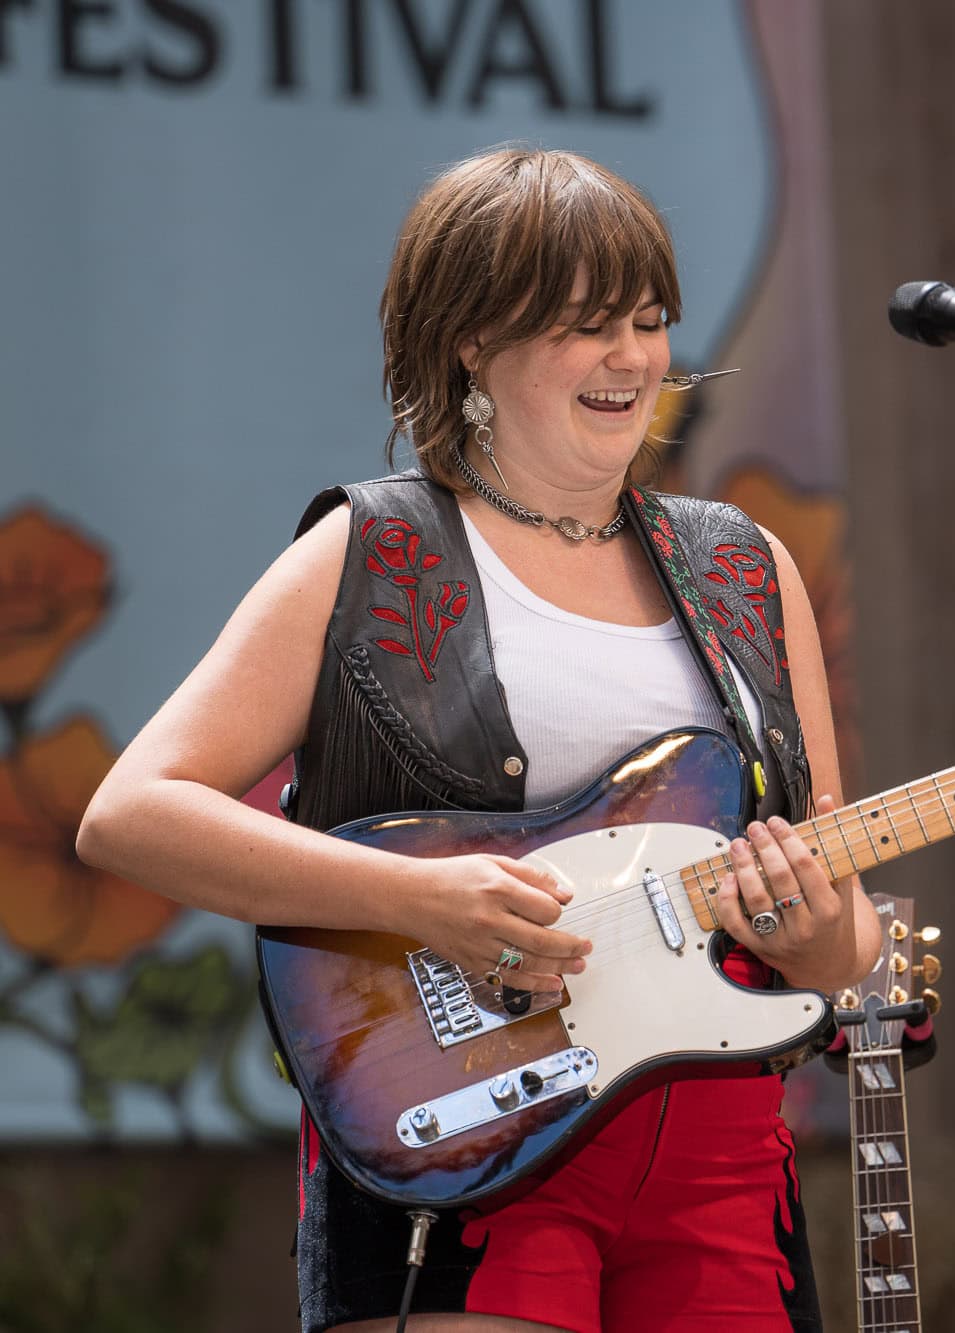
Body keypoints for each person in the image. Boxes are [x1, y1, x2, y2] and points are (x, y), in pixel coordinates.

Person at [78, 146, 876, 1332]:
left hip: (718, 1159)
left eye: (648, 319)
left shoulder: (745, 568)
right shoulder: (372, 550)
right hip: (464, 1146)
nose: (630, 357)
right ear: (470, 341)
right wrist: (428, 901)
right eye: (583, 324)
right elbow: (130, 814)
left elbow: (846, 935)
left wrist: (818, 933)